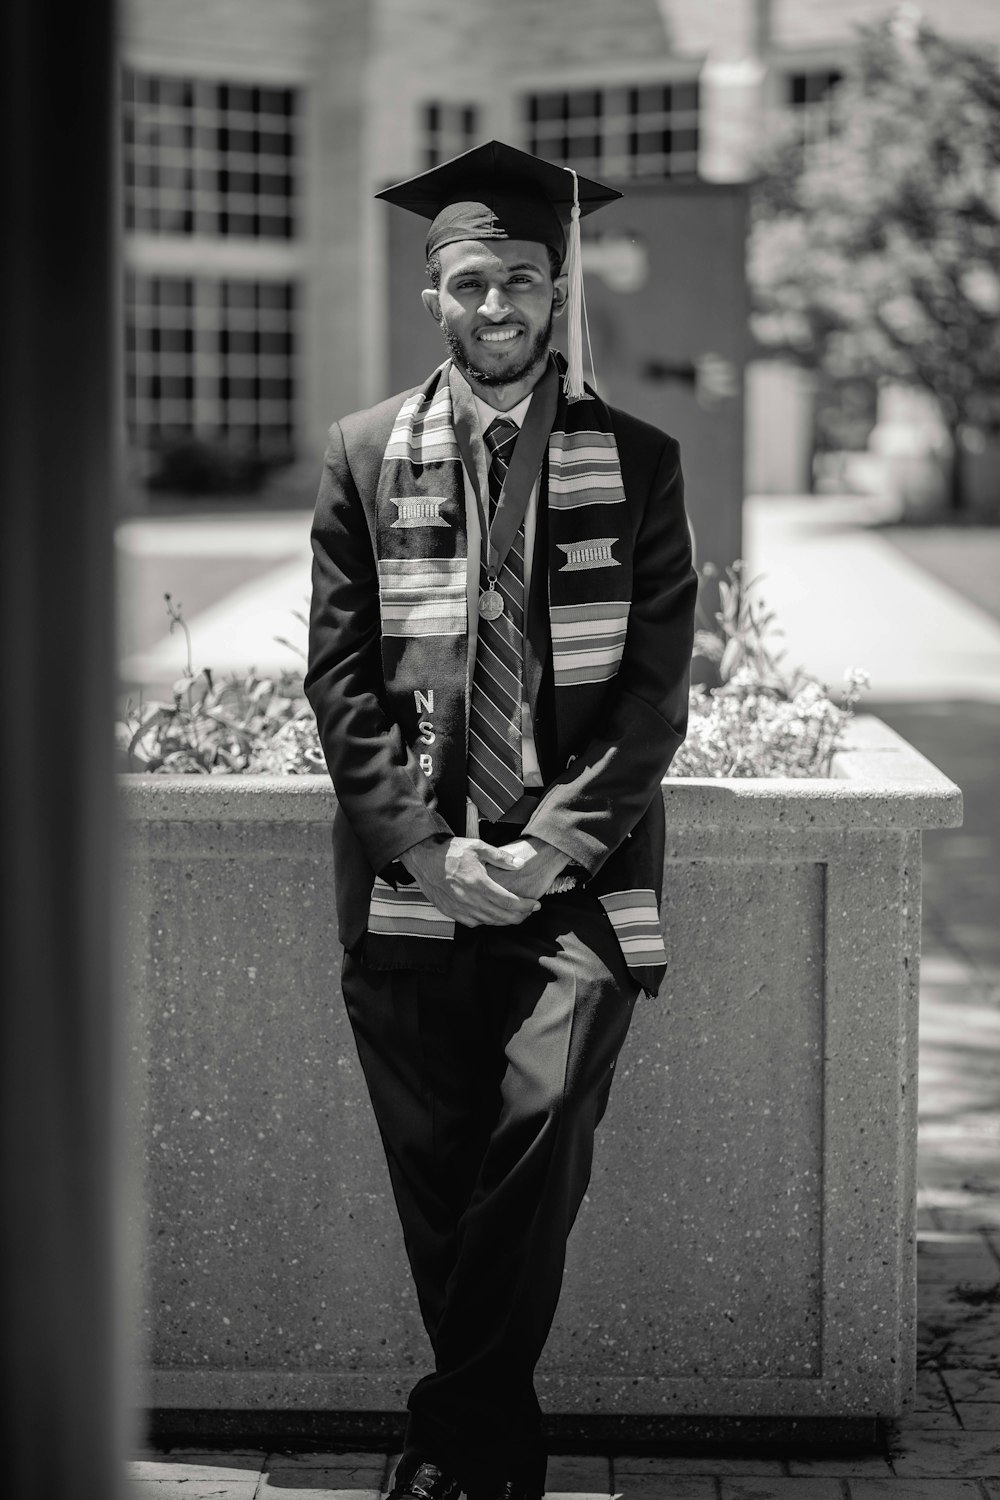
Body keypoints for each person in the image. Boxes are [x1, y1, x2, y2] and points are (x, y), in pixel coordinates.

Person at [304, 140, 697, 1500]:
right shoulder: (362, 457)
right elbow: (341, 677)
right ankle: (486, 1462)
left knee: (537, 1137)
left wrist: (541, 848)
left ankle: (452, 1442)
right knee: (440, 1176)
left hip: (576, 883)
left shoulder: (639, 463)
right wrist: (423, 841)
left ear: (557, 286)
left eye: (521, 279)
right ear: (432, 290)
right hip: (413, 879)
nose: (496, 306)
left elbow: (652, 695)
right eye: (469, 280)